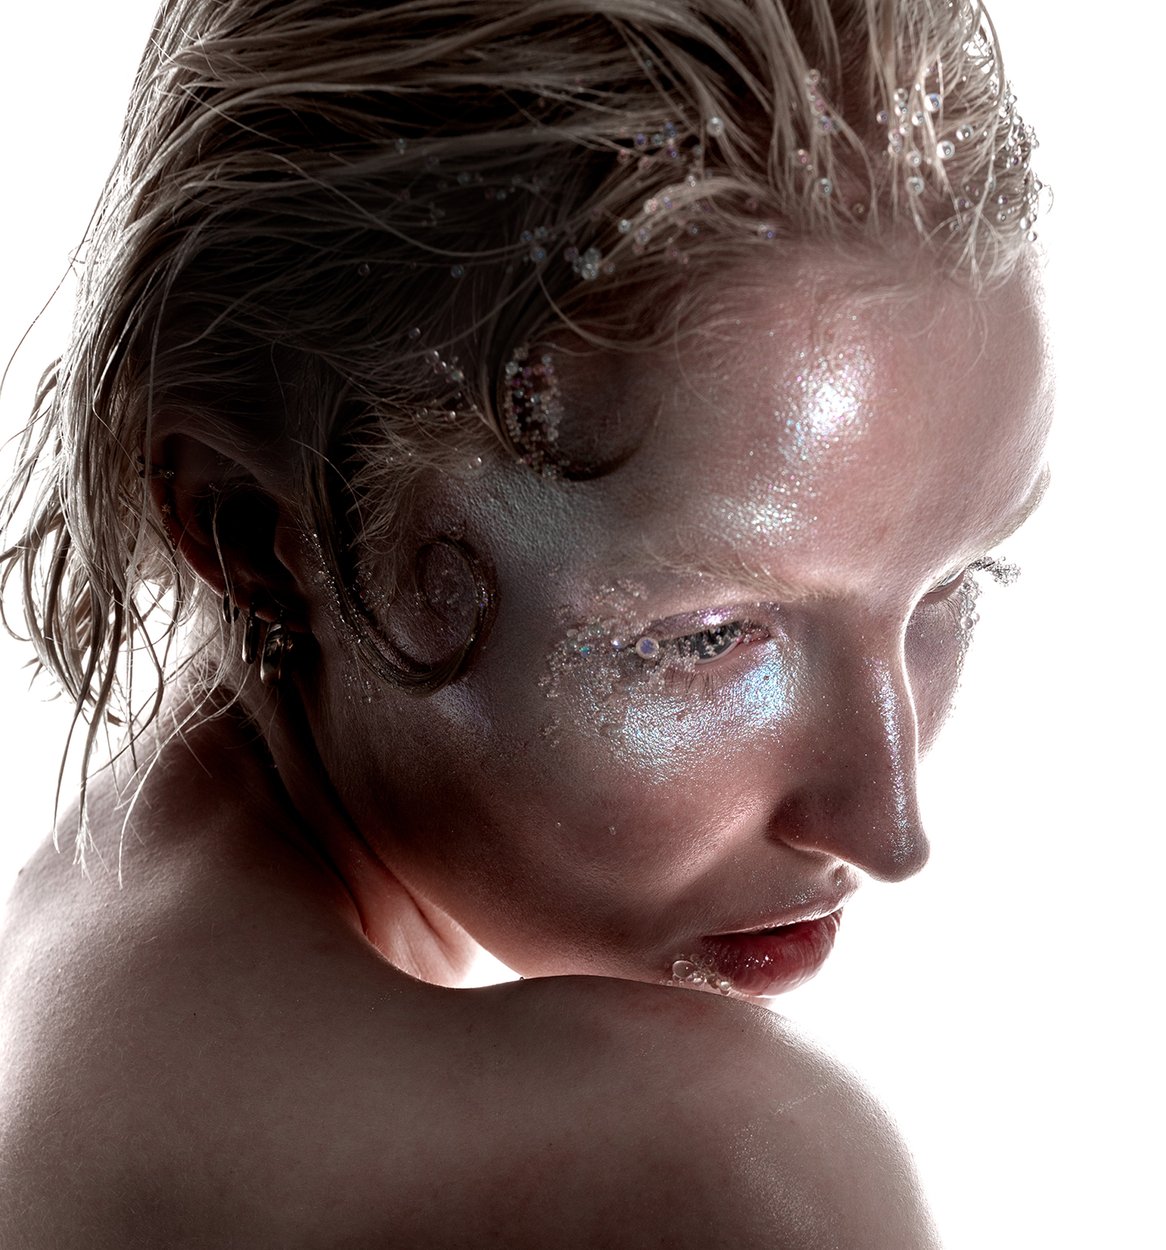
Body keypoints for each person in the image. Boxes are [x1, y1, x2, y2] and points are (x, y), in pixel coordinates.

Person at [0, 1, 1046, 1243]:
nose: (887, 824)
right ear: (248, 533)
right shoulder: (708, 1172)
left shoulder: (79, 959)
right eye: (707, 635)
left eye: (955, 587)